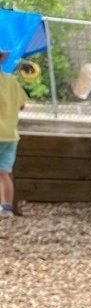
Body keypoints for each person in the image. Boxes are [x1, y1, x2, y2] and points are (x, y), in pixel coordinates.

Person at [0, 50, 28, 219]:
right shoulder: (12, 81)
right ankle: (7, 208)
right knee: (4, 173)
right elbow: (22, 105)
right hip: (10, 134)